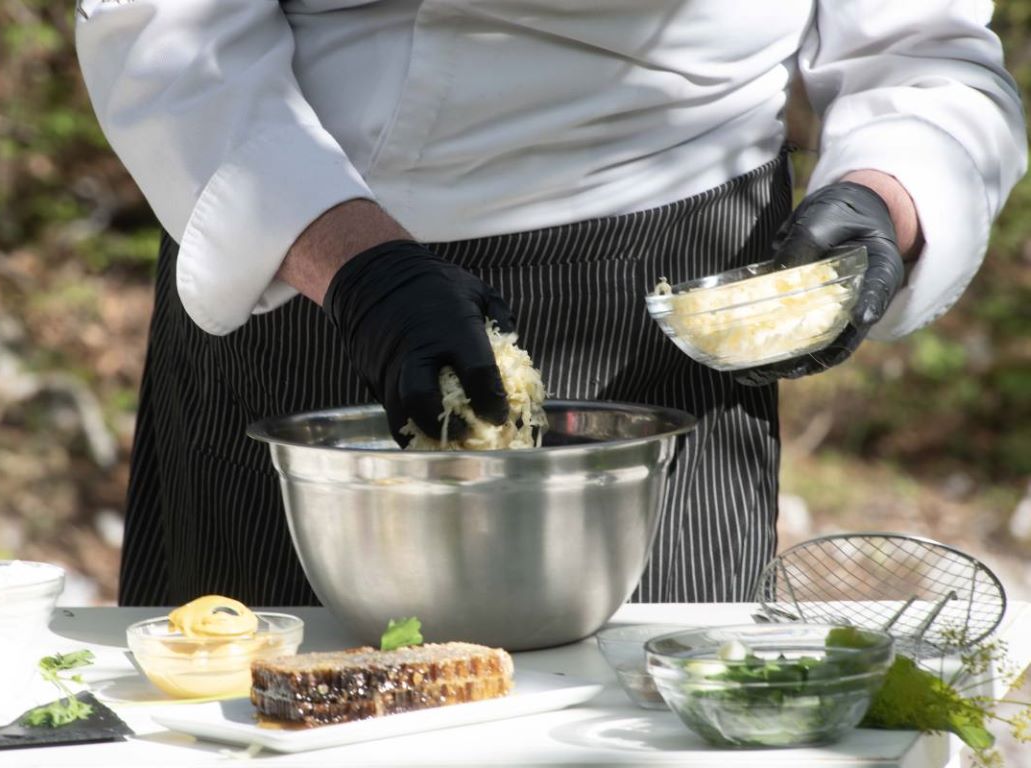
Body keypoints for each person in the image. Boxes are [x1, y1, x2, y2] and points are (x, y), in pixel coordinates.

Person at [74, 1, 1027, 607]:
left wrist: (882, 198)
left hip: (669, 306)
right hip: (304, 273)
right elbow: (164, 31)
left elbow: (923, 51)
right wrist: (359, 269)